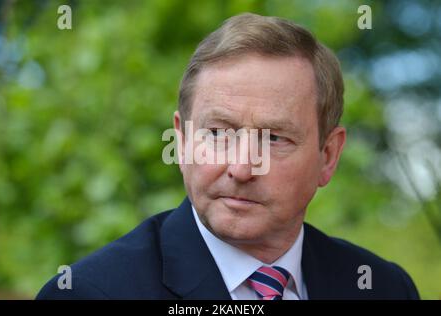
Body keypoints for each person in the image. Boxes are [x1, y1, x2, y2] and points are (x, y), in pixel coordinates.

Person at [37, 13, 419, 300]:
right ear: (182, 140)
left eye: (273, 138)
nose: (240, 167)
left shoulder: (383, 288)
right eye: (218, 134)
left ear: (328, 156)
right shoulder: (88, 293)